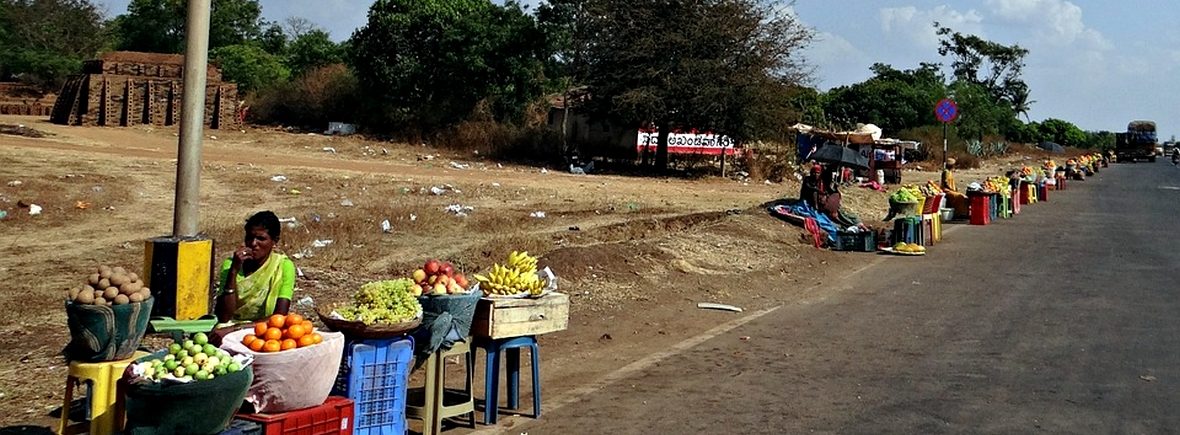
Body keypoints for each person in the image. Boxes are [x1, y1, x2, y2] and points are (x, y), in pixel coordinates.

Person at [215, 211, 296, 324]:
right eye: (249, 237)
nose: (253, 243)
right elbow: (223, 317)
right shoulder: (231, 265)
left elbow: (280, 316)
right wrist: (233, 271)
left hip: (267, 328)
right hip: (231, 325)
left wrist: (238, 328)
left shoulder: (283, 266)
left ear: (274, 241)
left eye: (261, 239)